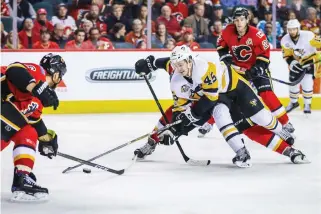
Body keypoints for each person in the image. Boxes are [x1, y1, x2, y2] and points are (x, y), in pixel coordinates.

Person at [133, 45, 295, 168]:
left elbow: (209, 100)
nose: (178, 68)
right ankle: (152, 141)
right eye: (175, 66)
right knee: (171, 116)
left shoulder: (202, 68)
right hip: (205, 98)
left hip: (224, 92)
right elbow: (164, 64)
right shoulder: (176, 72)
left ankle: (281, 132)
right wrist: (149, 64)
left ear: (190, 60)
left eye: (181, 64)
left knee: (256, 118)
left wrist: (184, 124)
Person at [216, 7, 294, 133]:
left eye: (242, 19)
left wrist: (257, 68)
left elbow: (264, 54)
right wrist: (226, 57)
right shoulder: (227, 31)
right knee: (225, 95)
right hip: (236, 70)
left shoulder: (257, 34)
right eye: (236, 20)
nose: (238, 23)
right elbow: (221, 45)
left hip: (254, 68)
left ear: (247, 20)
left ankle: (285, 122)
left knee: (266, 94)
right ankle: (209, 123)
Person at [1, 53, 67, 201]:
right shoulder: (38, 73)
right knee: (12, 122)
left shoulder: (38, 100)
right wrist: (37, 88)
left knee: (28, 132)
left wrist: (46, 139)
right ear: (57, 75)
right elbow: (13, 70)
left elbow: (33, 121)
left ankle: (22, 179)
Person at [281, 19, 321, 114]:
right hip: (296, 62)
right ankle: (293, 103)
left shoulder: (308, 35)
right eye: (290, 29)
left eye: (294, 29)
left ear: (298, 29)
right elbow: (287, 55)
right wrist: (292, 63)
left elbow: (319, 42)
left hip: (309, 60)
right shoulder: (285, 40)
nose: (292, 32)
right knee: (293, 83)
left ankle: (307, 104)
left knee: (307, 82)